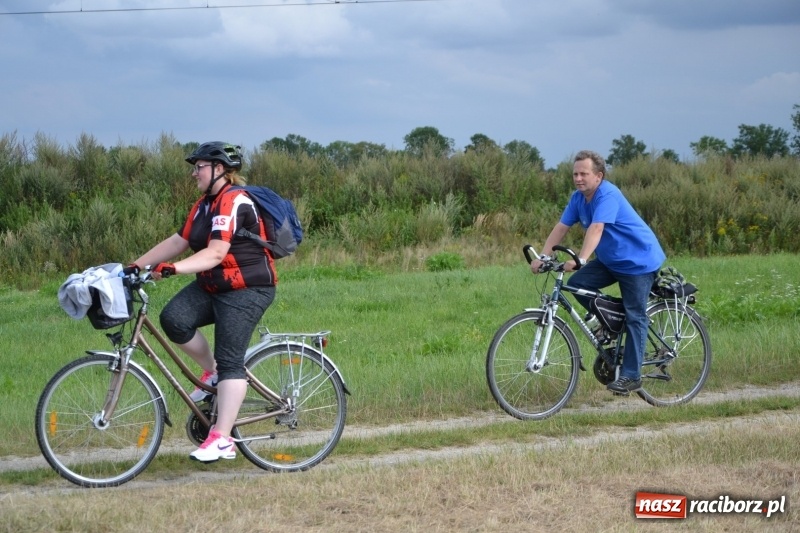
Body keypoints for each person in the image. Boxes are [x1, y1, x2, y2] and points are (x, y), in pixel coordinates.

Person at [132, 141, 277, 462]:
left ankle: (222, 439)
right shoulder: (203, 205)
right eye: (194, 167)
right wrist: (133, 266)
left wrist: (174, 269)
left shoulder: (234, 201)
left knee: (231, 361)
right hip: (215, 286)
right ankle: (212, 374)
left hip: (248, 289)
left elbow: (215, 253)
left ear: (220, 169)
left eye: (199, 166)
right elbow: (179, 240)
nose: (194, 172)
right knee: (174, 318)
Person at [531, 150, 665, 394]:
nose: (578, 178)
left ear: (598, 176)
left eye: (584, 174)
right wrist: (543, 256)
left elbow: (596, 228)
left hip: (638, 262)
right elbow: (561, 227)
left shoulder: (608, 195)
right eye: (575, 174)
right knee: (577, 284)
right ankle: (614, 319)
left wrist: (581, 258)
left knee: (635, 315)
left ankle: (632, 376)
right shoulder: (578, 198)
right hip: (610, 261)